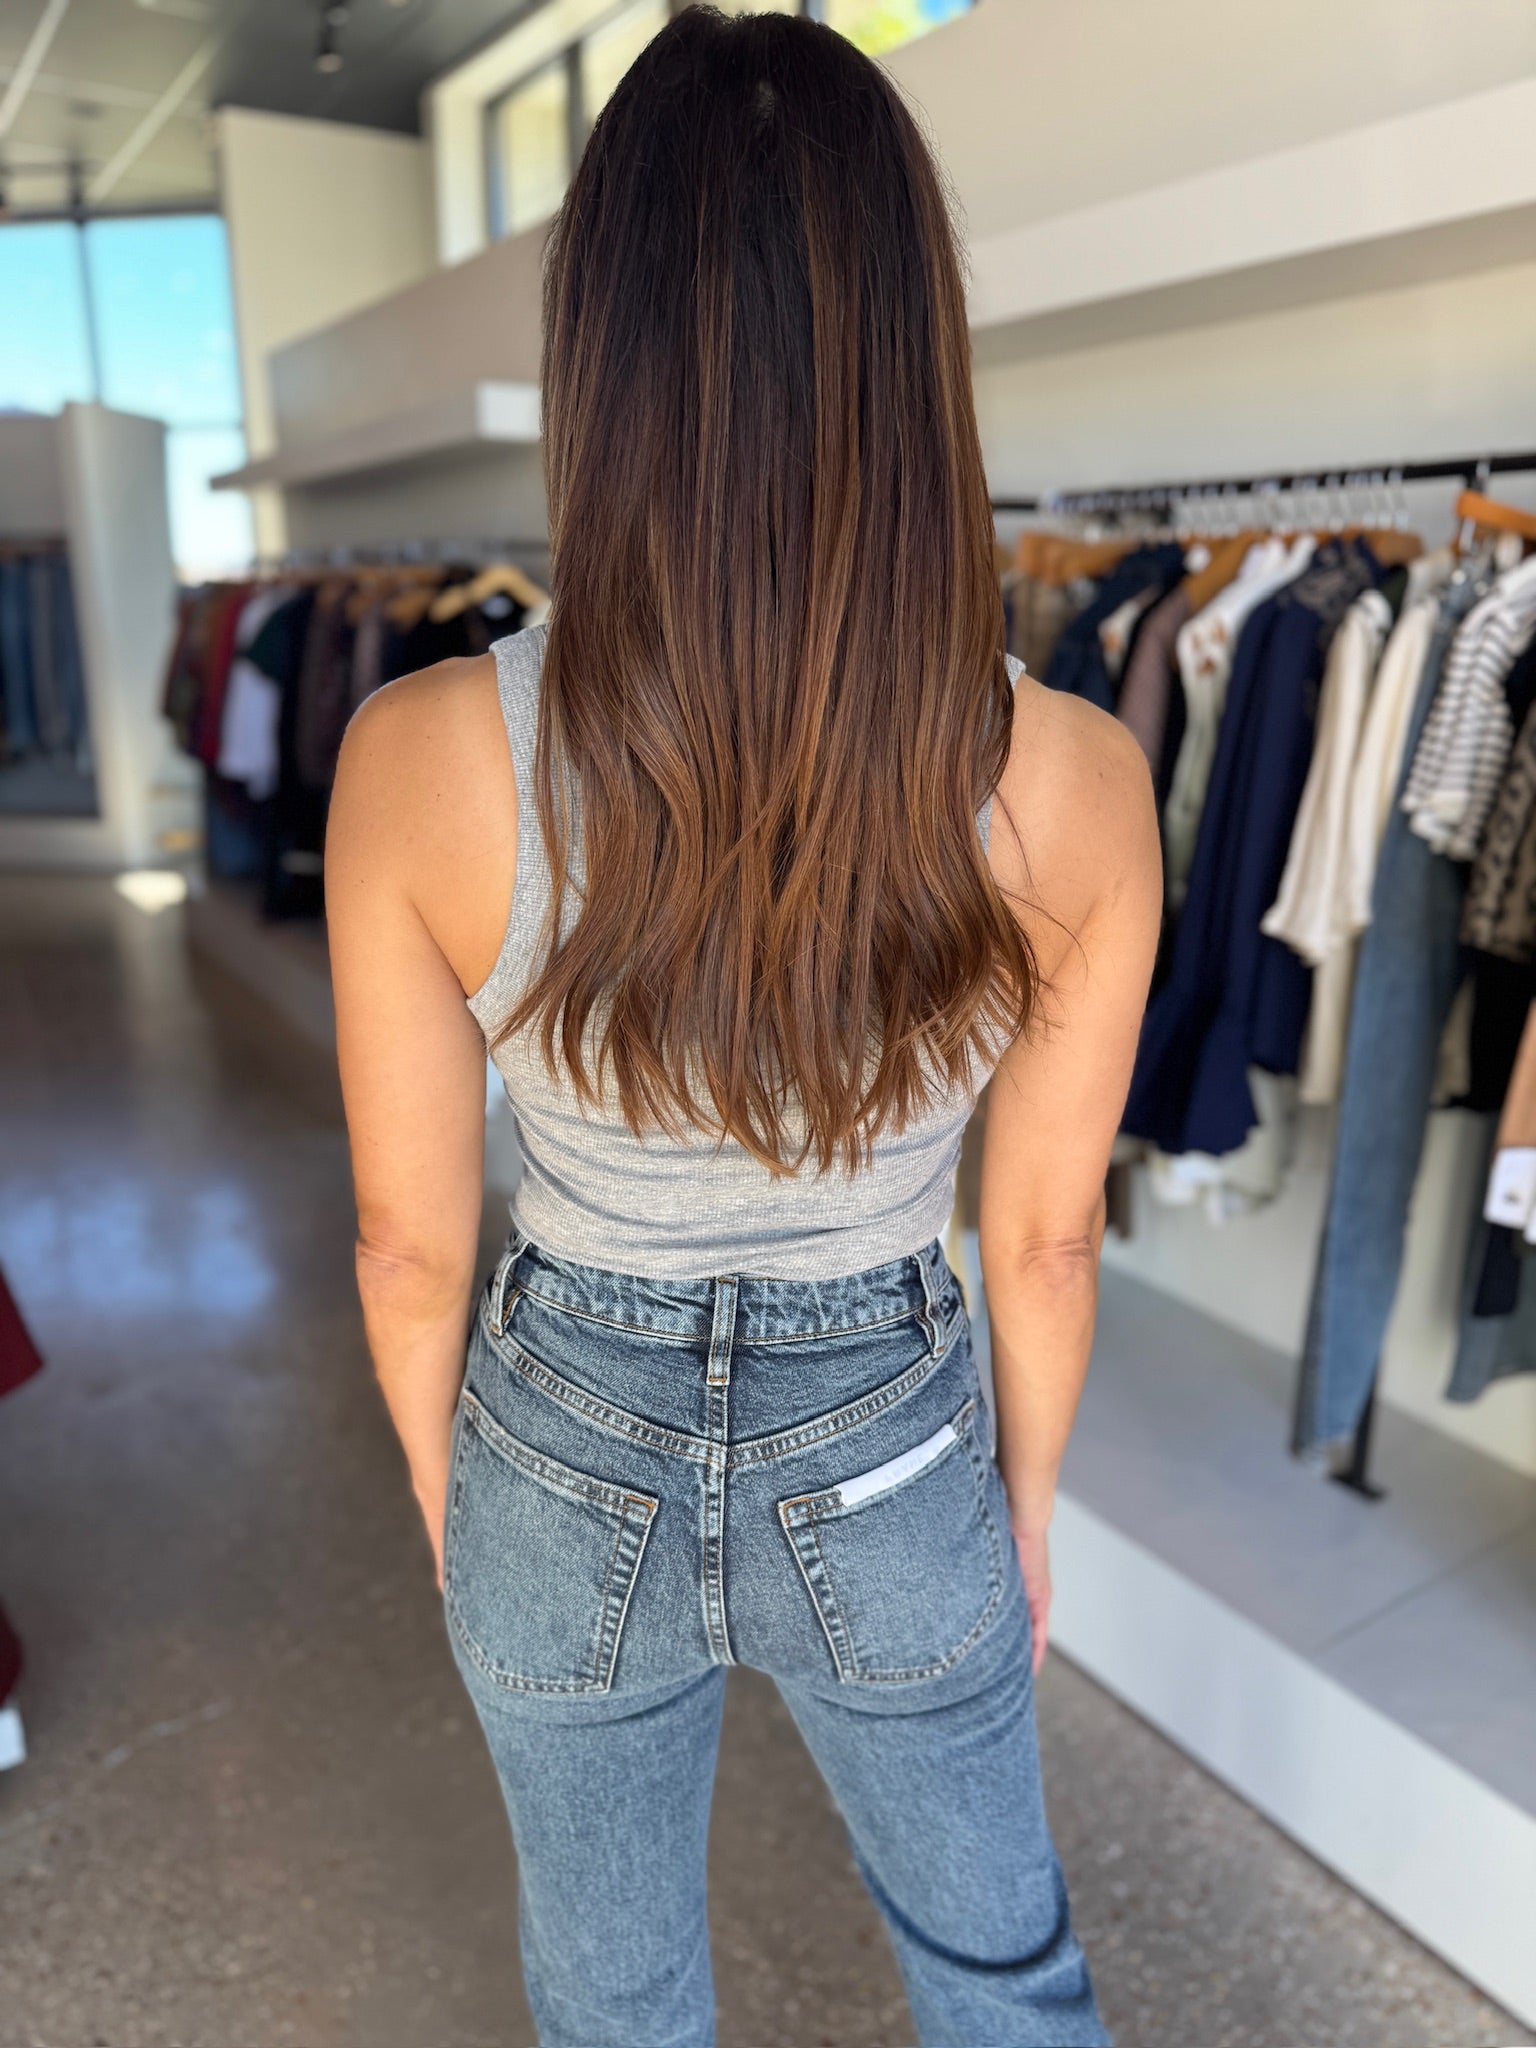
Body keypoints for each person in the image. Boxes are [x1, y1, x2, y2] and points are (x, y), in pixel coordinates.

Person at [326, 9, 1160, 2044]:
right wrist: (1017, 1511)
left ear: (600, 354)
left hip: (556, 1432)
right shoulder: (1073, 776)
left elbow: (409, 1245)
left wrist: (459, 1496)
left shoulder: (421, 753)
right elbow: (1047, 1238)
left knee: (611, 1998)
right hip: (893, 1443)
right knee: (1002, 1972)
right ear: (912, 350)